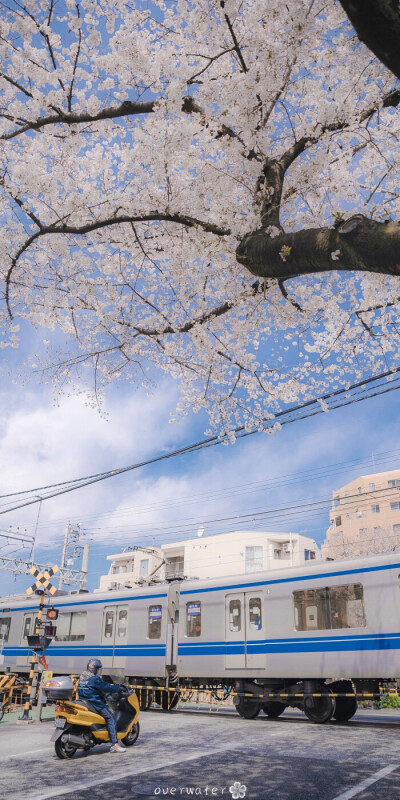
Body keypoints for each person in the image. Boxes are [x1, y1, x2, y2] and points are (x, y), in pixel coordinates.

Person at [78, 658, 126, 753]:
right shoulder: (94, 679)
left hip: (83, 701)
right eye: (98, 669)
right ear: (94, 669)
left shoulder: (82, 676)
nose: (99, 671)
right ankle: (114, 744)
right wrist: (119, 687)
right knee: (111, 717)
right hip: (94, 702)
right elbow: (107, 687)